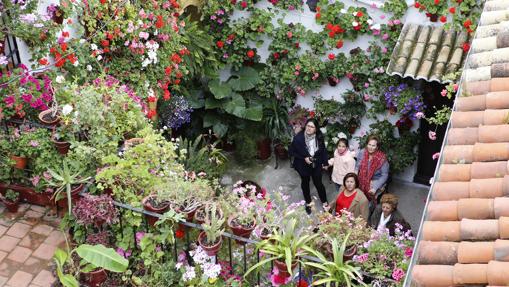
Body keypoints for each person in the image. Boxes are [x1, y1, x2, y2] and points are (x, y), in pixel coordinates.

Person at [289, 118, 328, 214]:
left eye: (312, 127)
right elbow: (291, 152)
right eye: (308, 126)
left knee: (318, 183)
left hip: (316, 163)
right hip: (303, 165)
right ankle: (308, 202)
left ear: (316, 129)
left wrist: (325, 162)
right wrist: (304, 158)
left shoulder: (319, 136)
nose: (309, 128)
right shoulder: (299, 138)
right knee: (305, 183)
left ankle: (325, 203)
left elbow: (323, 150)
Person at [355, 135, 389, 213]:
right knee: (358, 198)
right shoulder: (362, 152)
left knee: (369, 205)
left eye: (373, 145)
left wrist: (375, 187)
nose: (370, 147)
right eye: (369, 144)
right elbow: (357, 167)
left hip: (375, 181)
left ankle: (367, 213)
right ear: (367, 144)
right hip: (362, 178)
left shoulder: (382, 158)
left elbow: (384, 175)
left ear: (377, 147)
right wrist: (354, 178)